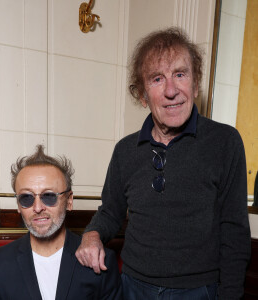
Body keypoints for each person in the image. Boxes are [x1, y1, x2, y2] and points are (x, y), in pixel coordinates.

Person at [75, 27, 251, 299]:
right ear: (143, 95)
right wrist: (92, 234)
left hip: (199, 291)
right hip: (133, 287)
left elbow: (234, 233)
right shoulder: (125, 150)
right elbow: (110, 212)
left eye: (180, 74)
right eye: (157, 79)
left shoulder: (225, 142)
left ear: (195, 83)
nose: (172, 90)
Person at [0, 145, 122, 300]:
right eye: (26, 198)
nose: (37, 208)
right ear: (18, 205)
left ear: (69, 200)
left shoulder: (99, 260)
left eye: (49, 196)